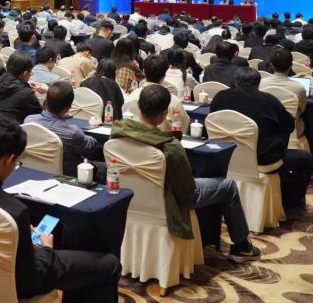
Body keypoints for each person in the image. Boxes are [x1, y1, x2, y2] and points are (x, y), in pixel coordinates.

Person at [0, 117, 122, 303]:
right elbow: (29, 279)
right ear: (9, 160)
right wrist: (46, 250)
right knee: (110, 264)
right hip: (15, 285)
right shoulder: (14, 211)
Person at [111, 85, 261, 259]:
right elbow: (187, 192)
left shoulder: (117, 132)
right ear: (165, 113)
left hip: (129, 196)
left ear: (138, 105)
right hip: (167, 201)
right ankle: (242, 246)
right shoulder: (170, 146)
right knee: (228, 186)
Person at [210, 68, 313, 213]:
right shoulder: (269, 101)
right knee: (306, 159)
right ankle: (292, 207)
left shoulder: (220, 97)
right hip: (261, 158)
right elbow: (289, 126)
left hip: (224, 155)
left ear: (235, 82)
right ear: (259, 84)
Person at [25, 81, 106, 182]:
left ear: (46, 100)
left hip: (36, 173)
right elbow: (91, 147)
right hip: (71, 176)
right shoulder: (72, 133)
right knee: (110, 167)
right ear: (69, 107)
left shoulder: (29, 121)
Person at [0, 51, 43, 123]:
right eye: (30, 73)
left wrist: (23, 84)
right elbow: (40, 115)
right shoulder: (26, 94)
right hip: (10, 129)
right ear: (25, 73)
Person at [262, 47, 307, 138]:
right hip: (291, 130)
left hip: (265, 127)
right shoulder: (299, 87)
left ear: (271, 65)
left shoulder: (261, 83)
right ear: (291, 65)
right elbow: (302, 109)